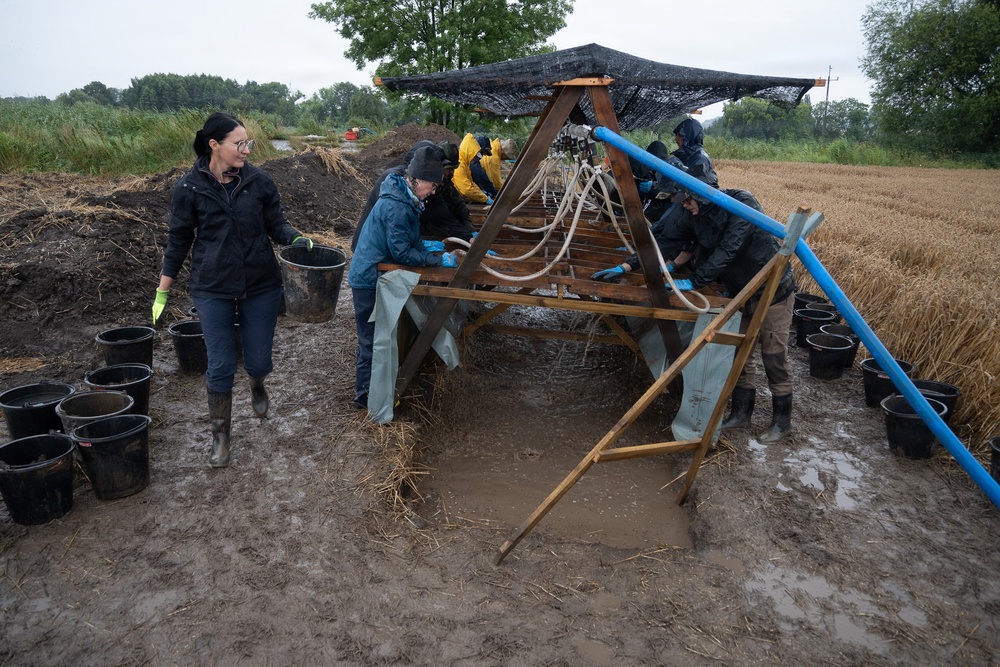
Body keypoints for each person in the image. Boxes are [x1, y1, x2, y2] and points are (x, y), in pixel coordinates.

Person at [152, 112, 313, 467]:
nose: (246, 150)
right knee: (221, 364)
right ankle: (220, 438)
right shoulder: (189, 188)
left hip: (260, 284)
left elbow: (277, 224)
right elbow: (178, 241)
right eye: (239, 144)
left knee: (257, 360)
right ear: (215, 145)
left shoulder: (259, 181)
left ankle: (257, 381)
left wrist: (296, 239)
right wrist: (163, 290)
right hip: (212, 287)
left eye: (248, 143)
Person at [348, 146, 458, 411]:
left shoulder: (406, 199)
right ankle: (364, 397)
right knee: (372, 339)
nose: (433, 191)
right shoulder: (396, 206)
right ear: (417, 179)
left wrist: (428, 246)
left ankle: (377, 388)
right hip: (367, 278)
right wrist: (436, 259)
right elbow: (401, 252)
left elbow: (408, 241)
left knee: (380, 337)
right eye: (431, 185)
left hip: (376, 272)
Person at [351, 140, 473, 252]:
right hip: (372, 247)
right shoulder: (392, 183)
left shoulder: (424, 185)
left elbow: (442, 215)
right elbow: (394, 232)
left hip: (389, 248)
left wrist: (469, 238)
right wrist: (419, 247)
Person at [453, 133, 494, 204]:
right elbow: (466, 189)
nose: (476, 158)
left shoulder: (465, 164)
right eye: (475, 155)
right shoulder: (459, 164)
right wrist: (484, 198)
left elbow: (470, 182)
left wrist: (479, 192)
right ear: (469, 152)